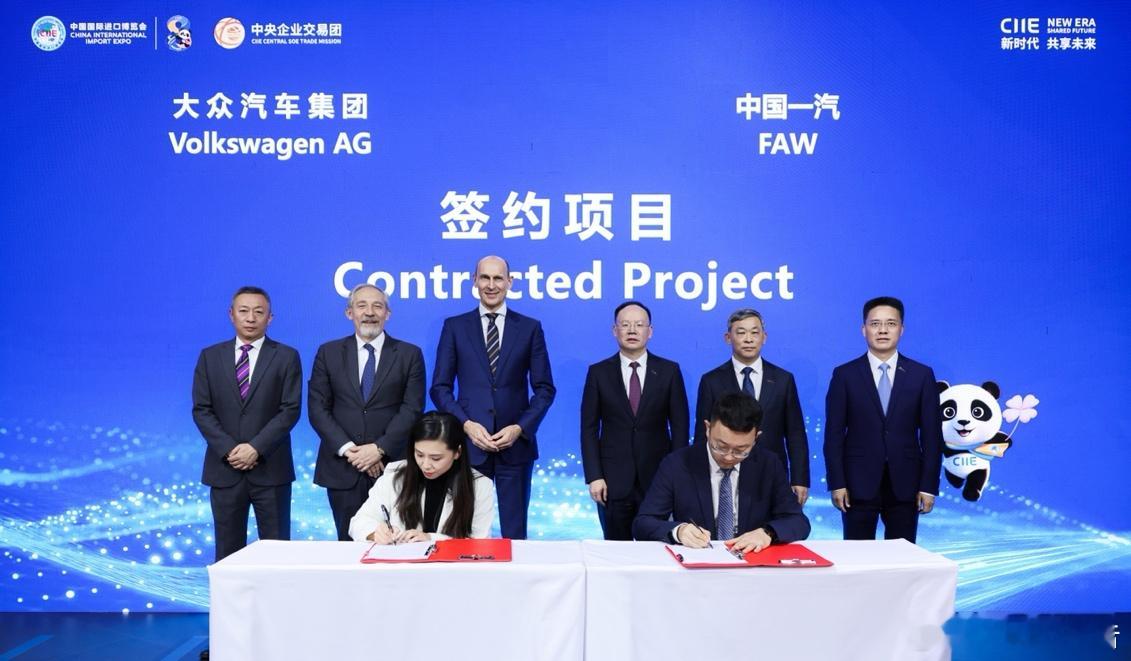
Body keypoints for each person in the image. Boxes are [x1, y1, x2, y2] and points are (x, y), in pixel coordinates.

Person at [430, 255, 556, 539]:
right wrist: (466, 425)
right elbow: (440, 387)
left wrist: (519, 428)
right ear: (474, 281)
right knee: (464, 531)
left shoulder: (529, 328)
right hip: (469, 446)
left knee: (515, 533)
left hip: (515, 447)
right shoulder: (455, 327)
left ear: (509, 282)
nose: (491, 285)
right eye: (484, 278)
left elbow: (545, 389)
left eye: (498, 278)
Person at [192, 286, 302, 561]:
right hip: (224, 470)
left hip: (271, 470)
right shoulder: (210, 356)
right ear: (231, 315)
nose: (251, 318)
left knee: (277, 554)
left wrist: (256, 448)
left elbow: (290, 410)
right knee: (228, 554)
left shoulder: (286, 356)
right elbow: (202, 410)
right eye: (244, 311)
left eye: (258, 312)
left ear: (270, 318)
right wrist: (229, 450)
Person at [309, 284, 426, 541]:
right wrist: (351, 451)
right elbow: (317, 408)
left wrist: (379, 449)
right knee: (347, 544)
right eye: (362, 305)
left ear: (388, 313)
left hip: (392, 466)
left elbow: (412, 408)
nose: (370, 312)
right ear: (349, 313)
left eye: (377, 306)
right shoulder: (328, 353)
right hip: (343, 467)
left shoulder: (409, 354)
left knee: (397, 542)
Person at [823, 296, 943, 543]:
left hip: (907, 484)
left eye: (890, 323)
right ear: (864, 329)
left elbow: (932, 437)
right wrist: (837, 483)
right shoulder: (845, 375)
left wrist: (928, 486)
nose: (883, 330)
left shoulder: (921, 375)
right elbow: (833, 435)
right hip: (856, 484)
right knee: (857, 556)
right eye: (875, 324)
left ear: (901, 329)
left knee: (902, 557)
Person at [632, 393, 810, 553]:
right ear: (707, 428)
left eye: (741, 450)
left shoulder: (768, 464)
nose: (729, 457)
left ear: (756, 437)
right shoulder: (677, 464)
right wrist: (678, 531)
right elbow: (642, 523)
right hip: (698, 561)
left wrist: (767, 533)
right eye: (721, 446)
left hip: (751, 562)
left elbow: (799, 522)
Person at [581, 301, 689, 540]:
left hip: (658, 479)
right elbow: (588, 429)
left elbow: (680, 427)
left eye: (639, 325)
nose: (632, 330)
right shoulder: (598, 372)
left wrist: (677, 476)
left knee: (657, 547)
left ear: (650, 331)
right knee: (615, 550)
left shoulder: (669, 371)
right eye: (625, 325)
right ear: (615, 330)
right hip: (612, 482)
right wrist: (594, 476)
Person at [694, 308, 810, 505]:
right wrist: (699, 477)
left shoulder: (783, 380)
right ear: (728, 338)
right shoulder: (711, 381)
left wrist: (800, 478)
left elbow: (795, 433)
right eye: (741, 332)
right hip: (726, 472)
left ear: (764, 337)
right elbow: (702, 434)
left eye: (755, 332)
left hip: (773, 472)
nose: (748, 339)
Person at [350, 412, 495, 542]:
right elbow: (358, 522)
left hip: (450, 564)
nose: (425, 465)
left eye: (436, 458)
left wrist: (431, 538)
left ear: (457, 452)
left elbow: (480, 542)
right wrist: (375, 533)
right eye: (419, 455)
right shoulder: (394, 474)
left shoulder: (480, 485)